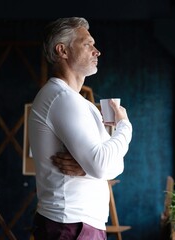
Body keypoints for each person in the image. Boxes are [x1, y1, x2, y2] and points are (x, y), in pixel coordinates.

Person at [28, 17, 132, 240]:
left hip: (76, 225)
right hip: (71, 226)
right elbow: (104, 166)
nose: (97, 51)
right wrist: (125, 126)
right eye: (87, 44)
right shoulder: (62, 99)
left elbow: (114, 166)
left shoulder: (78, 102)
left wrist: (87, 168)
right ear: (62, 51)